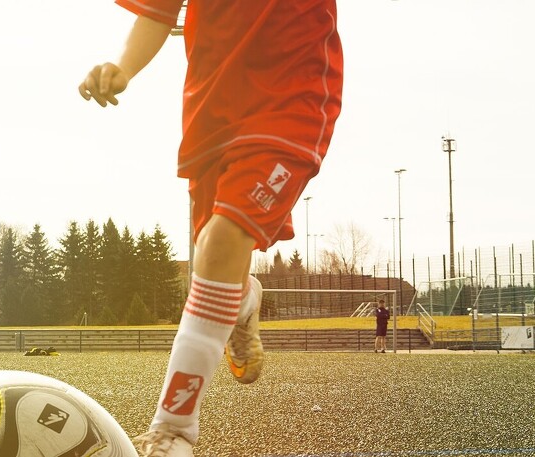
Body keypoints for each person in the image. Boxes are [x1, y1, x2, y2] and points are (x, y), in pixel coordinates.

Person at [78, 1, 343, 455]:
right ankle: (240, 299)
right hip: (211, 115)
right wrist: (123, 66)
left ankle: (174, 428)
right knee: (211, 253)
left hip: (291, 101)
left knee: (221, 240)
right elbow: (157, 11)